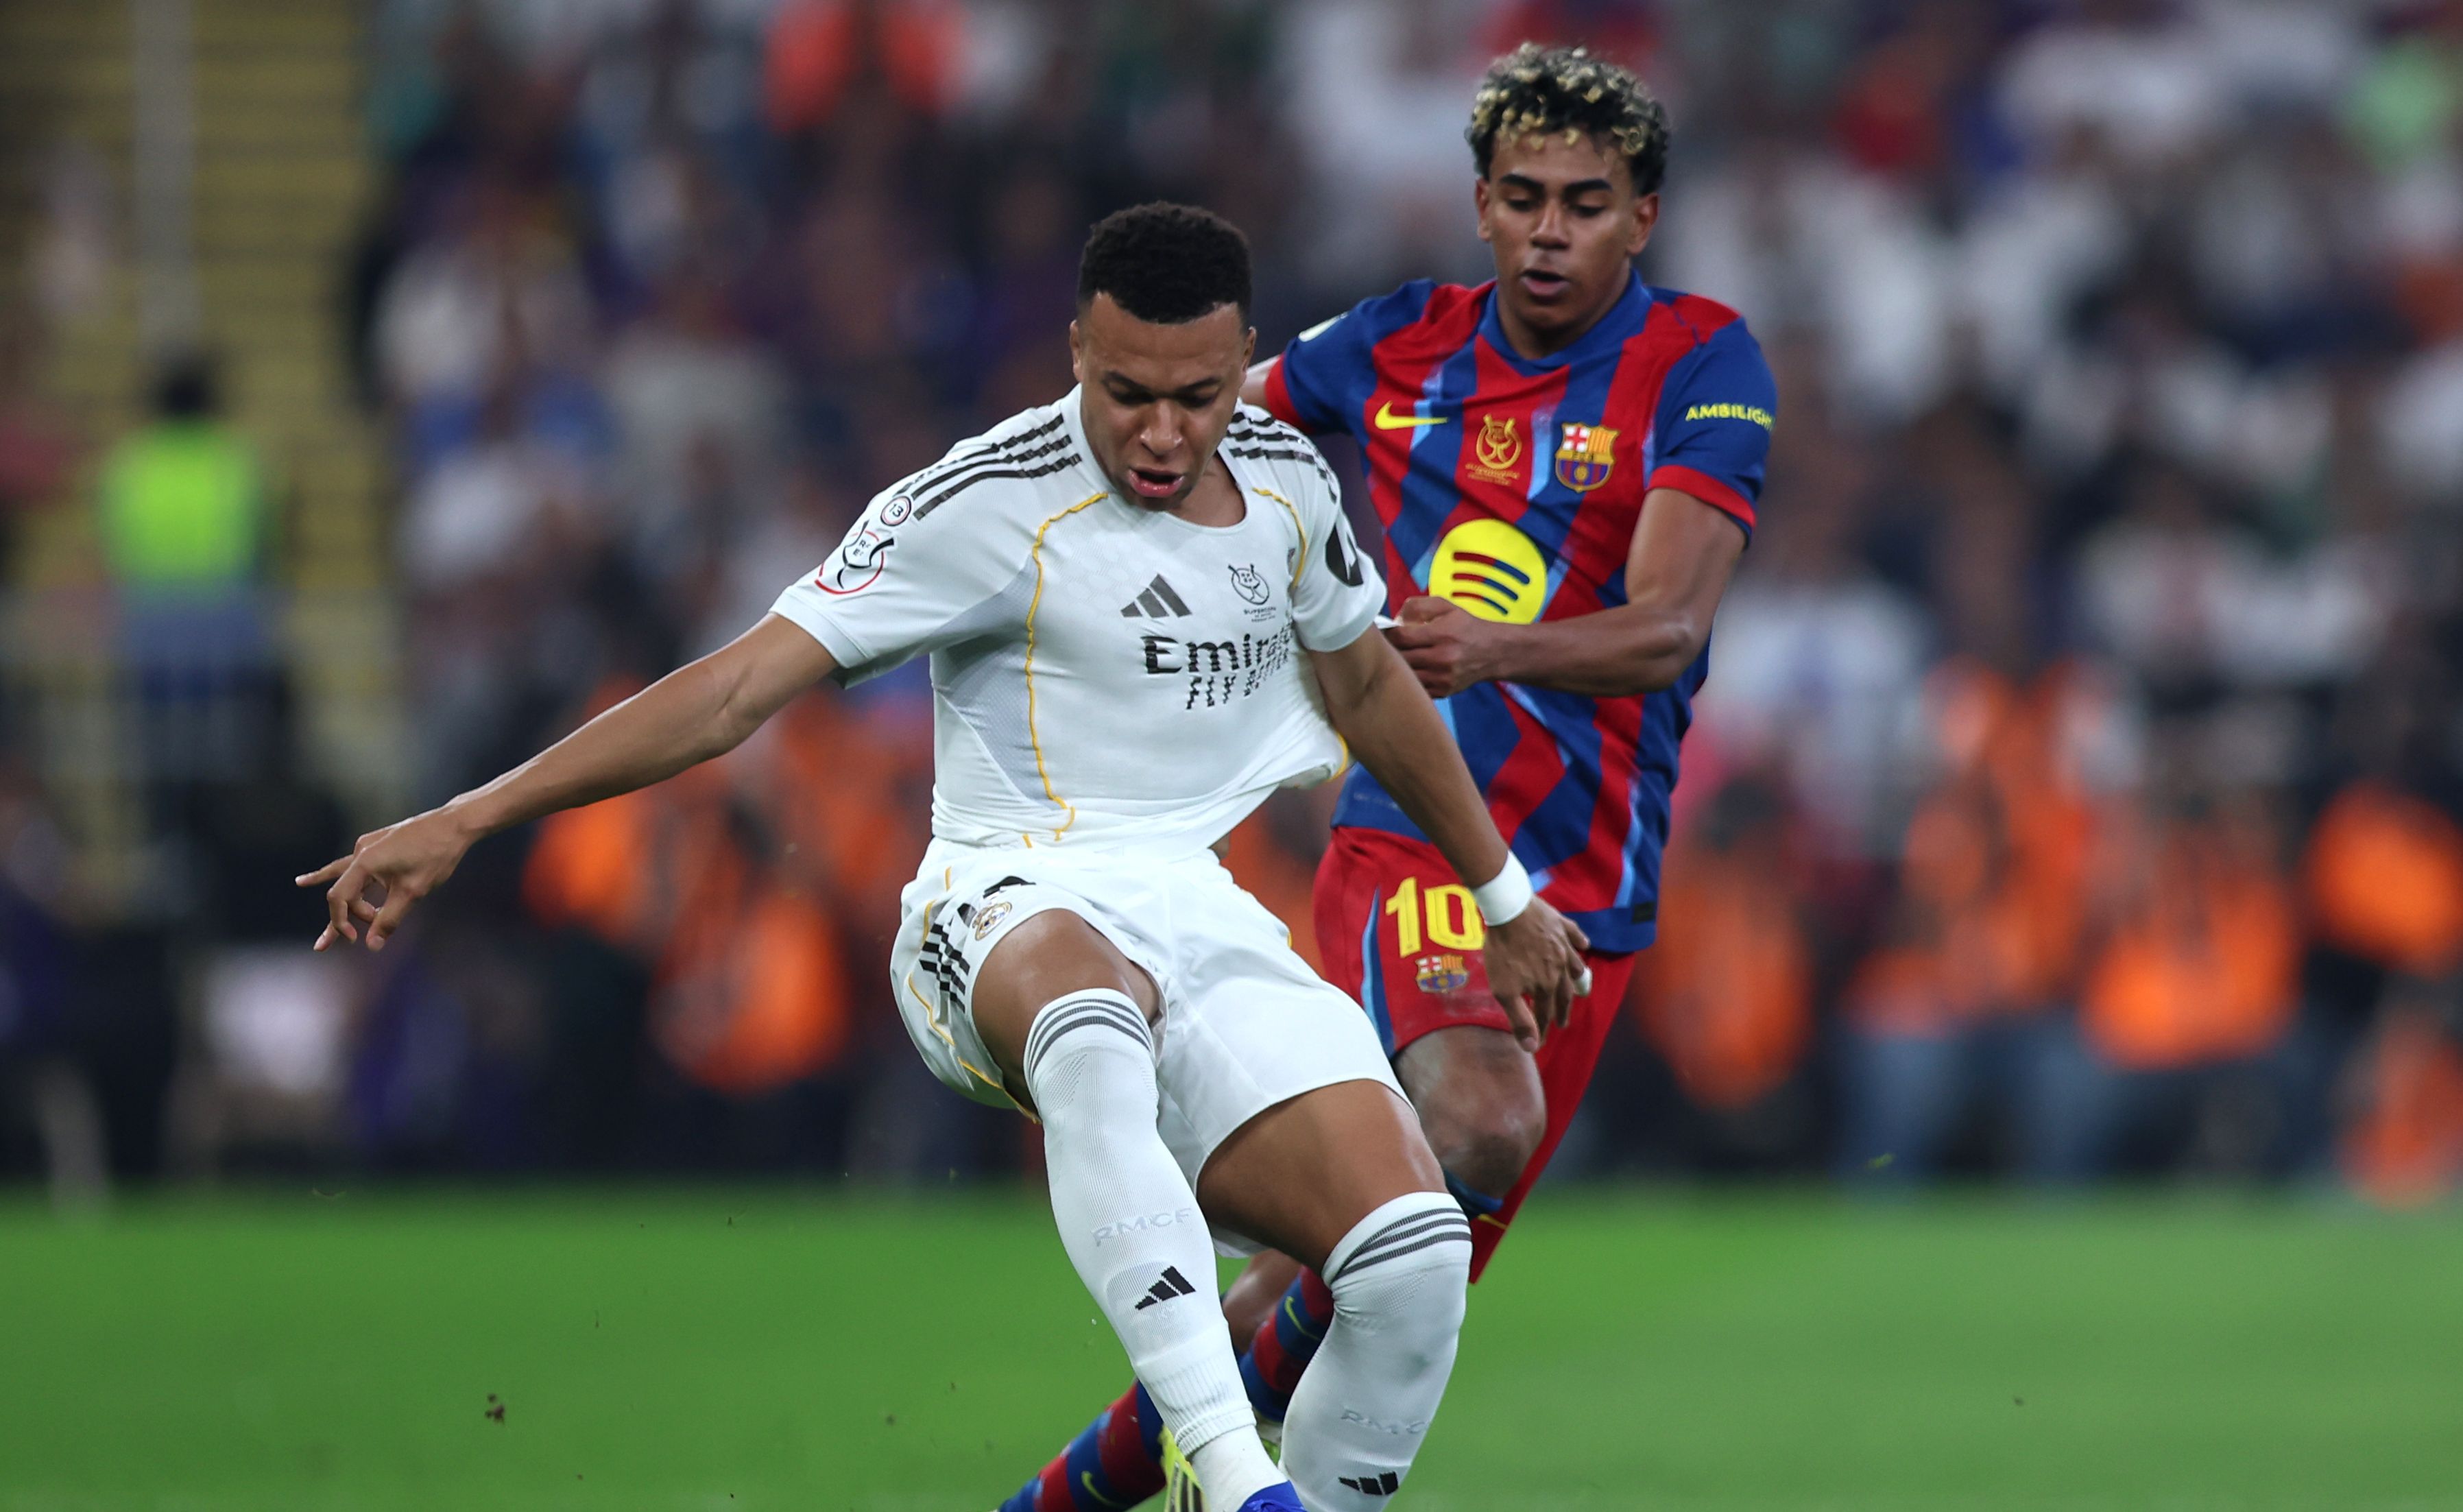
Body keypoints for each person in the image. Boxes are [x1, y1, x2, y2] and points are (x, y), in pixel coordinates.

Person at [300, 204, 1588, 1512]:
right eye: (1125, 390)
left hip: (1194, 903)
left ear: (1242, 356)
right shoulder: (983, 500)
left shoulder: (1288, 487)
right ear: (1077, 347)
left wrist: (1502, 894)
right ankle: (1233, 1471)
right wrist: (467, 814)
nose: (1161, 431)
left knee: (1414, 1250)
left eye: (1197, 396)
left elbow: (1369, 686)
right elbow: (739, 686)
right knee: (1091, 1014)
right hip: (996, 898)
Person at [1002, 43, 1776, 1512]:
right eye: (1524, 198)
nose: (1552, 231)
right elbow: (1189, 426)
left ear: (1643, 219)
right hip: (1420, 838)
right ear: (1478, 206)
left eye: (1588, 204)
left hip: (1596, 886)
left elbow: (1669, 628)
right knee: (1482, 1121)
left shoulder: (1703, 361)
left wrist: (1489, 648)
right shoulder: (1390, 345)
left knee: (1351, 1280)